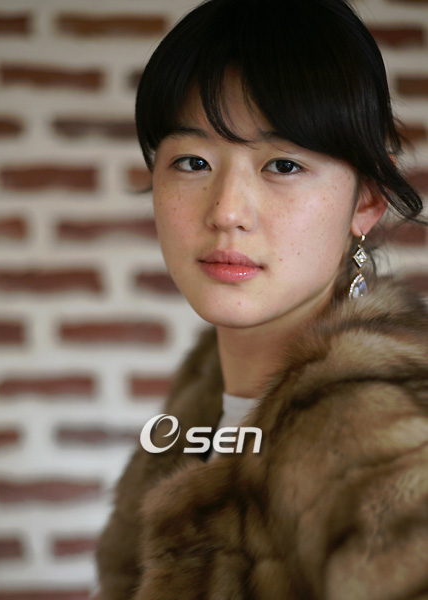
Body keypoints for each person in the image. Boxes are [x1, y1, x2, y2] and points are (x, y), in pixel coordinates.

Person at [96, 0, 428, 598]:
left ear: (366, 202)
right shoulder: (199, 409)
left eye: (283, 164)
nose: (227, 212)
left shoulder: (388, 452)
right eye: (192, 161)